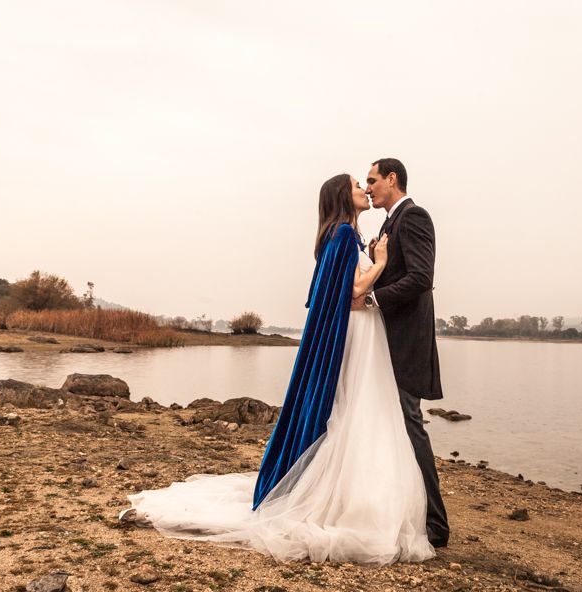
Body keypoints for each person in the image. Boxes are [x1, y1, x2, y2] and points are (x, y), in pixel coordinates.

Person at [123, 173, 435, 565]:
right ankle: (347, 499)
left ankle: (351, 494)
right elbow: (355, 291)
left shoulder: (346, 235)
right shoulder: (341, 235)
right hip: (357, 330)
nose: (364, 190)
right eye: (358, 185)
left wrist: (371, 263)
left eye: (367, 182)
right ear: (343, 195)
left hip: (362, 331)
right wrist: (383, 262)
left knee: (358, 408)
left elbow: (351, 285)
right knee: (357, 408)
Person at [359, 157, 449, 547]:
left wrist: (373, 298)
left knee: (410, 425)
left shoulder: (414, 217)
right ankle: (405, 509)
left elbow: (421, 277)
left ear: (392, 179)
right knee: (397, 426)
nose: (367, 188)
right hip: (388, 339)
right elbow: (397, 269)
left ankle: (436, 525)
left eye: (372, 180)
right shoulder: (388, 222)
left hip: (406, 340)